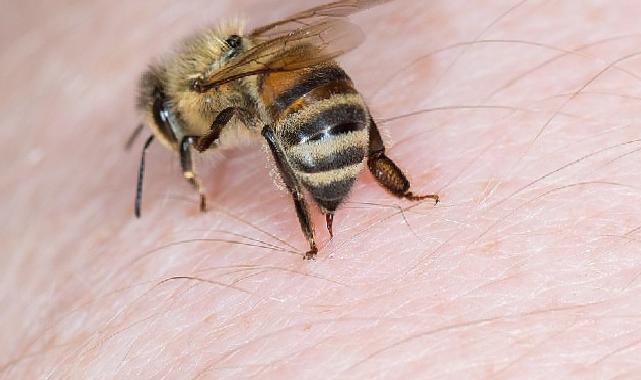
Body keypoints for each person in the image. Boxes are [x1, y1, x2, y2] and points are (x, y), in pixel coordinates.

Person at [2, 0, 640, 378]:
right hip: (314, 89)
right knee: (287, 117)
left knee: (282, 127)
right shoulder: (244, 54)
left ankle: (311, 226)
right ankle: (393, 186)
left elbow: (223, 134)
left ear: (180, 99)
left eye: (172, 132)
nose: (181, 141)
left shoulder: (205, 96)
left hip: (306, 115)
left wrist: (196, 182)